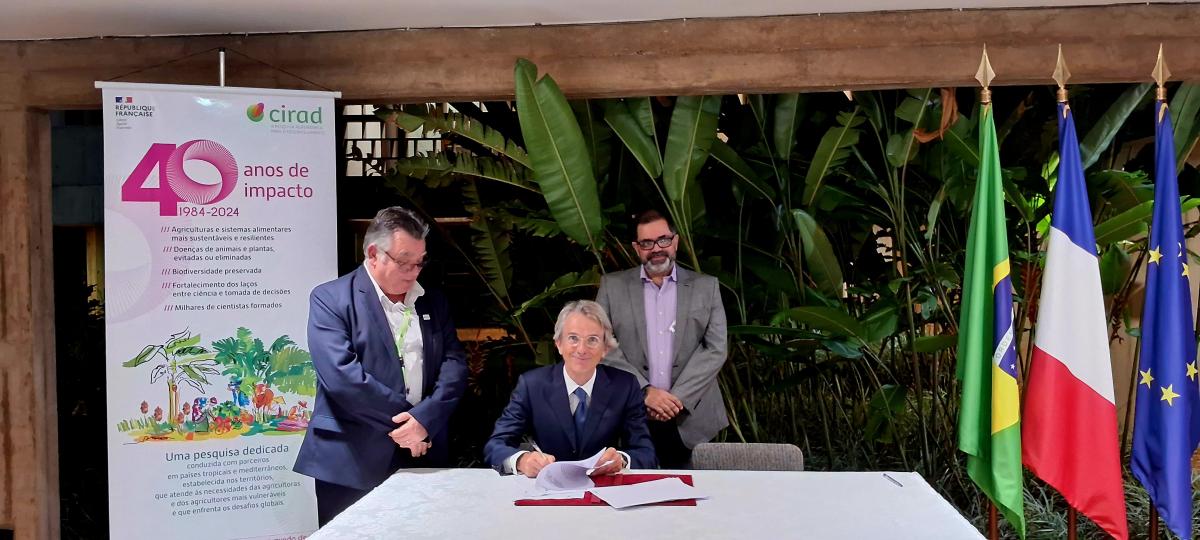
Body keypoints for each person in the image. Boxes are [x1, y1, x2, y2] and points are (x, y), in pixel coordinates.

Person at [293, 206, 468, 526]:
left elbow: (454, 365)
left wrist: (424, 421)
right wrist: (411, 422)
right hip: (351, 458)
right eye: (404, 261)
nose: (414, 271)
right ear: (374, 253)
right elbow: (343, 378)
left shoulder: (432, 301)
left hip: (422, 452)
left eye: (420, 261)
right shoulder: (331, 299)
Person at [596, 209, 729, 469]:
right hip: (631, 414)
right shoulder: (612, 287)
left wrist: (676, 399)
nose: (656, 248)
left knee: (693, 502)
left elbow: (716, 348)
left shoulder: (707, 286)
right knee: (631, 499)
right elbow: (601, 344)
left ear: (675, 241)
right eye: (647, 243)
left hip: (692, 417)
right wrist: (644, 391)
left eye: (663, 240)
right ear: (636, 248)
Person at [484, 300, 656, 476]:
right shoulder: (532, 385)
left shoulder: (625, 386)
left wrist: (621, 460)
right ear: (559, 343)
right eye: (573, 338)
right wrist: (522, 461)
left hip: (603, 490)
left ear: (605, 349)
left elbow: (646, 453)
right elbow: (495, 446)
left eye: (592, 340)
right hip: (545, 490)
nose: (582, 349)